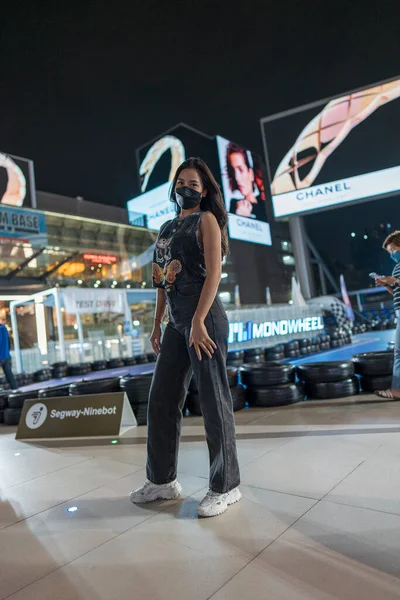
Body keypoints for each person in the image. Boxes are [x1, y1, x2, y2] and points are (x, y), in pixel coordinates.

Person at [130, 157, 241, 518]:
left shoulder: (206, 220)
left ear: (204, 190)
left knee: (212, 400)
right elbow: (162, 280)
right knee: (161, 398)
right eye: (180, 183)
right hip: (176, 323)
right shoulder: (164, 229)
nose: (185, 188)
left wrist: (198, 321)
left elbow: (214, 274)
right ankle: (162, 481)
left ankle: (226, 486)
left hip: (204, 318)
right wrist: (157, 322)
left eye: (193, 184)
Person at [374, 230, 400, 399]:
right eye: (390, 252)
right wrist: (386, 284)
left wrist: (394, 280)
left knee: (399, 353)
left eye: (393, 250)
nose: (392, 254)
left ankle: (397, 390)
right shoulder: (397, 267)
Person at [226, 142, 267, 222]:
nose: (237, 178)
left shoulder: (265, 205)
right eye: (233, 171)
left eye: (240, 170)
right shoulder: (234, 204)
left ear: (250, 173)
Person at [0, 321, 18, 390]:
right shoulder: (4, 327)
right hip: (6, 356)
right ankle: (16, 391)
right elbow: (8, 341)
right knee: (10, 376)